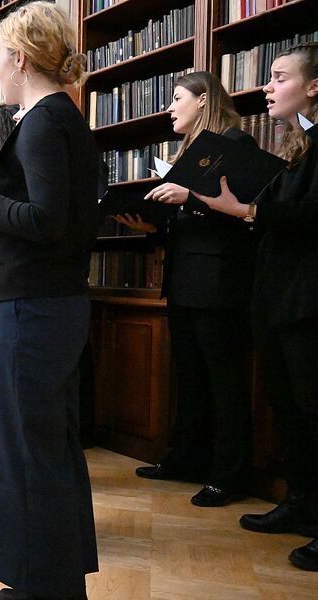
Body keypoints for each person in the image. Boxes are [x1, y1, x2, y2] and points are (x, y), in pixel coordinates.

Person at [0, 3, 99, 597]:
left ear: (20, 58)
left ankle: (39, 583)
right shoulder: (59, 118)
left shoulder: (41, 122)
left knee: (27, 446)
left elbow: (45, 217)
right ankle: (55, 579)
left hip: (33, 308)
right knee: (47, 443)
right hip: (46, 301)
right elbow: (46, 221)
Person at [191, 41, 318, 572]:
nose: (267, 86)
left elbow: (308, 215)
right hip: (279, 298)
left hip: (308, 302)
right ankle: (300, 502)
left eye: (279, 76)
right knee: (288, 409)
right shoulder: (299, 147)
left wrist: (243, 209)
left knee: (313, 411)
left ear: (314, 86)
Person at [116, 71, 257, 508]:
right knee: (190, 379)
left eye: (177, 98)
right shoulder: (185, 156)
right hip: (183, 282)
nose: (170, 107)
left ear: (203, 100)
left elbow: (241, 215)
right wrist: (151, 224)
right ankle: (186, 459)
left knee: (224, 382)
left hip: (220, 286)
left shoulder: (235, 144)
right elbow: (190, 223)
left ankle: (228, 474)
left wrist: (188, 200)